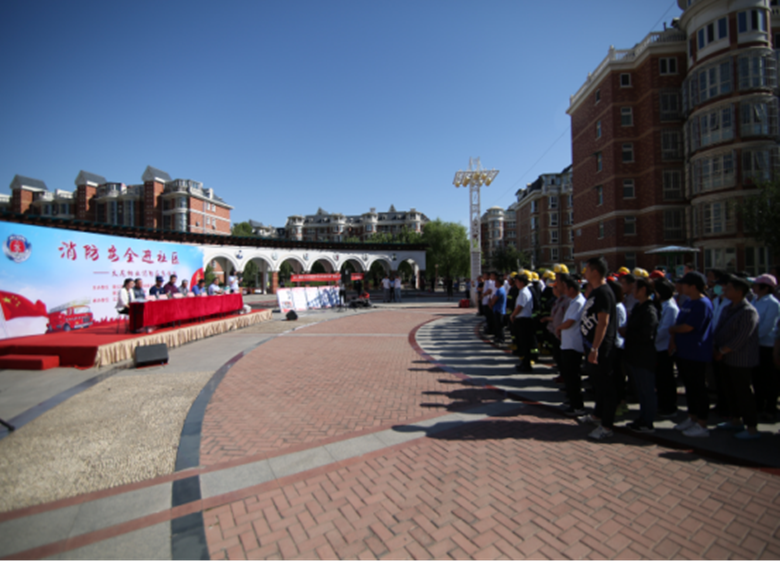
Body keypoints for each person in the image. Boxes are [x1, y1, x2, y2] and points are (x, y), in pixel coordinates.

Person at [713, 276, 761, 439]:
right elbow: (719, 329)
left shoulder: (748, 311)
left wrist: (722, 351)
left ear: (740, 292)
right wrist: (715, 347)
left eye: (729, 288)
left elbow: (741, 338)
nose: (724, 290)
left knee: (743, 393)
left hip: (740, 360)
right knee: (730, 391)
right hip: (724, 358)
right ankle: (735, 420)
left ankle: (751, 428)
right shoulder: (728, 308)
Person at [577, 257, 618, 440]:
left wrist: (595, 348)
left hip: (601, 349)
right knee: (598, 385)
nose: (584, 273)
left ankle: (607, 426)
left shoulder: (604, 293)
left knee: (606, 387)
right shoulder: (595, 291)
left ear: (595, 272)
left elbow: (603, 322)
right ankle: (597, 415)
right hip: (591, 346)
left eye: (586, 269)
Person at [669, 272, 714, 438]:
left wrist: (672, 329)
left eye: (684, 284)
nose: (680, 287)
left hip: (696, 352)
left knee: (698, 388)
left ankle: (702, 424)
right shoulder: (689, 301)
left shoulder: (703, 304)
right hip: (684, 351)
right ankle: (692, 417)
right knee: (690, 387)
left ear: (693, 286)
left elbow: (688, 327)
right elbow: (679, 323)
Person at [623, 277, 659, 433]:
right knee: (641, 390)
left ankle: (648, 421)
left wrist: (628, 333)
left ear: (643, 290)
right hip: (634, 355)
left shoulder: (649, 310)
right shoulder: (638, 307)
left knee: (647, 390)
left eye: (635, 288)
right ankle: (642, 417)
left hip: (644, 356)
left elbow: (647, 334)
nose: (632, 291)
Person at [556, 274, 586, 416]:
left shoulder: (579, 302)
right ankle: (572, 401)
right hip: (567, 343)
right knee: (569, 376)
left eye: (566, 288)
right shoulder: (573, 301)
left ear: (572, 289)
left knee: (573, 376)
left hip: (573, 344)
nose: (564, 290)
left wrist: (559, 327)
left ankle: (577, 406)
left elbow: (569, 322)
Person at [752, 274, 780, 420]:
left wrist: (751, 337)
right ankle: (758, 405)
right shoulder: (754, 300)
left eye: (757, 285)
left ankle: (770, 408)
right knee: (757, 378)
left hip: (767, 346)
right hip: (755, 345)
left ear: (765, 287)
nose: (754, 287)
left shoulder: (773, 303)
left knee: (769, 379)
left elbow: (767, 326)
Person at [654, 278, 679, 418]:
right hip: (657, 348)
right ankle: (662, 404)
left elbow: (665, 330)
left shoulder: (670, 308)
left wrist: (651, 338)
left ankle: (669, 407)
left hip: (664, 348)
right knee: (660, 380)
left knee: (666, 379)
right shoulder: (660, 306)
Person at [610, 279, 629, 418]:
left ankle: (621, 403)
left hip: (617, 345)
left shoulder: (617, 307)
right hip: (615, 344)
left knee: (618, 377)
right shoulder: (615, 306)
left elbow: (617, 328)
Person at [510, 273, 535, 373]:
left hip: (523, 320)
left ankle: (526, 364)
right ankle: (524, 362)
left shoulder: (524, 292)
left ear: (521, 282)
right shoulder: (523, 291)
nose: (516, 284)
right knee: (522, 343)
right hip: (523, 320)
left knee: (525, 343)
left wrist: (512, 315)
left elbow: (520, 306)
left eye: (517, 282)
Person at [489, 274, 507, 343]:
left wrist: (491, 303)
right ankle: (498, 336)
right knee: (498, 325)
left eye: (496, 282)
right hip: (499, 310)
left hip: (499, 310)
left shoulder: (500, 290)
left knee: (499, 325)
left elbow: (494, 300)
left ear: (499, 282)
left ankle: (501, 338)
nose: (495, 284)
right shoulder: (501, 289)